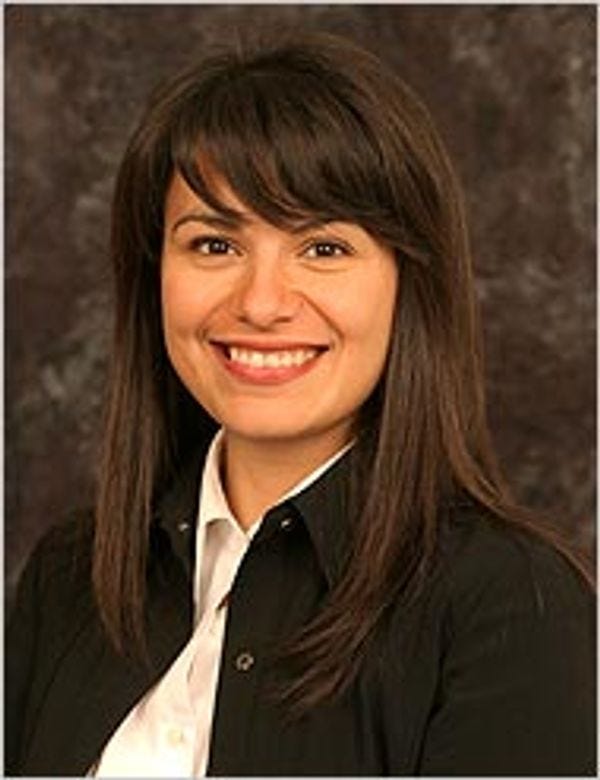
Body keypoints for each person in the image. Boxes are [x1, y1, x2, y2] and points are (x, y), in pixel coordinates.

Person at [6, 31, 595, 777]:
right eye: (214, 245)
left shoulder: (513, 605)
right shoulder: (71, 576)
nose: (261, 303)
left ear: (410, 283)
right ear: (154, 273)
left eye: (324, 249)